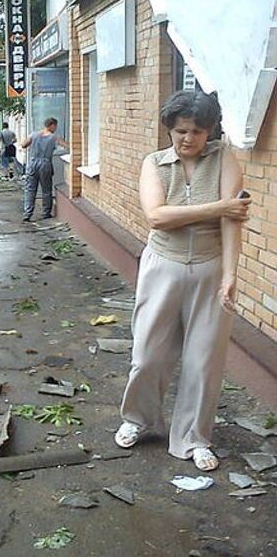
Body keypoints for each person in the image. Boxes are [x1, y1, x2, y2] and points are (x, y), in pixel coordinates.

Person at [114, 91, 251, 472]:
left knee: (203, 361)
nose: (187, 139)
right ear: (169, 131)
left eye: (196, 132)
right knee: (147, 355)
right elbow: (157, 216)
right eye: (179, 131)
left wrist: (230, 275)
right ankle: (138, 420)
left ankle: (194, 439)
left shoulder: (223, 158)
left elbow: (232, 220)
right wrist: (220, 206)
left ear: (210, 131)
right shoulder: (154, 163)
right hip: (163, 267)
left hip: (210, 267)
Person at [20, 117, 69, 221]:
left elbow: (23, 145)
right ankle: (45, 213)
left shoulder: (33, 134)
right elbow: (67, 146)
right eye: (55, 126)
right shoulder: (54, 137)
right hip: (45, 163)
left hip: (33, 163)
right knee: (46, 189)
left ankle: (27, 213)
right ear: (52, 125)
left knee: (30, 189)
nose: (55, 128)